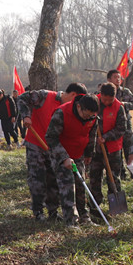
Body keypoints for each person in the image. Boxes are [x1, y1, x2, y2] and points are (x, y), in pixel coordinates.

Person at [18, 82, 86, 222]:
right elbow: (22, 98)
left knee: (53, 179)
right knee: (37, 178)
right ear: (73, 95)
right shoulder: (44, 96)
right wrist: (26, 115)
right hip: (35, 144)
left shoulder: (69, 109)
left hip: (53, 147)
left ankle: (53, 212)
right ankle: (38, 212)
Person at [45, 94, 100, 226]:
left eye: (91, 116)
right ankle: (71, 221)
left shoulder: (92, 117)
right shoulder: (62, 113)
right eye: (86, 115)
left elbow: (92, 134)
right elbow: (51, 137)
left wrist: (88, 154)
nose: (88, 118)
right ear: (79, 106)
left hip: (78, 154)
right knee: (68, 186)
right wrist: (64, 157)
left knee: (81, 184)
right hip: (61, 154)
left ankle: (84, 217)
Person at [88, 82, 126, 210]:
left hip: (112, 150)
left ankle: (116, 207)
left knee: (113, 177)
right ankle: (95, 205)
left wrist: (106, 137)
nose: (107, 102)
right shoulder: (93, 102)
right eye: (104, 99)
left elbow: (121, 128)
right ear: (101, 95)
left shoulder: (119, 107)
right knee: (94, 176)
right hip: (94, 149)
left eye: (110, 100)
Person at [107, 69, 133, 179]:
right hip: (112, 126)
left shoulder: (125, 92)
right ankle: (121, 174)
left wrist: (124, 104)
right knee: (116, 151)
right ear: (109, 79)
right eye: (115, 77)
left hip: (126, 125)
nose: (118, 79)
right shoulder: (106, 92)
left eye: (119, 77)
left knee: (129, 149)